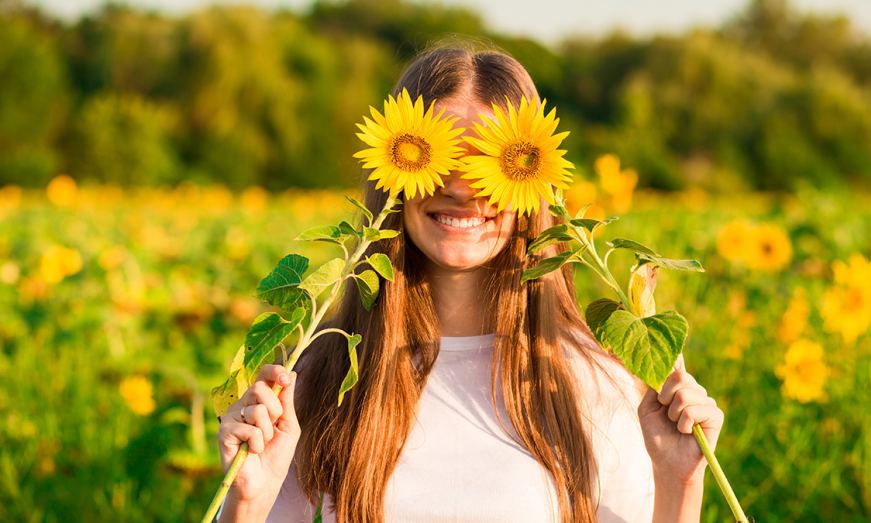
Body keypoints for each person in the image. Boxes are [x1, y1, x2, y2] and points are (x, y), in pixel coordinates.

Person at [216, 46, 724, 523]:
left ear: (534, 180)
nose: (462, 186)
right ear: (391, 170)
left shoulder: (599, 384)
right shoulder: (319, 379)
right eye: (434, 157)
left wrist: (680, 482)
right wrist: (246, 503)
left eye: (491, 161)